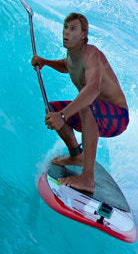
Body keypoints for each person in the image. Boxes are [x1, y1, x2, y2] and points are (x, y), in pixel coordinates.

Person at [31, 12, 129, 193]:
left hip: (117, 118)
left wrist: (63, 115)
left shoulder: (92, 54)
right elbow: (66, 65)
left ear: (84, 34)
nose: (66, 32)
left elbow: (93, 90)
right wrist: (45, 62)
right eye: (65, 28)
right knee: (51, 107)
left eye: (73, 29)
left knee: (85, 104)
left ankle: (87, 179)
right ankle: (77, 155)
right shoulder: (72, 56)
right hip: (94, 113)